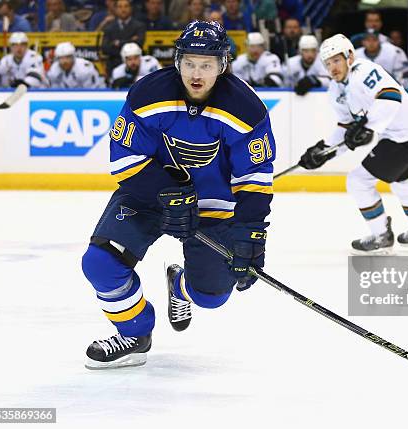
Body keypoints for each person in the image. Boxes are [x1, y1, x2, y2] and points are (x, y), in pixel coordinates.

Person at [81, 20, 276, 369]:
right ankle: (135, 334)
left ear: (223, 65)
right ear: (177, 60)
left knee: (211, 297)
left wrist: (250, 234)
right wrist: (167, 193)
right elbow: (125, 160)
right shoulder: (147, 94)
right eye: (189, 62)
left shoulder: (246, 109)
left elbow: (255, 179)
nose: (196, 73)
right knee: (100, 263)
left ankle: (181, 287)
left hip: (214, 206)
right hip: (150, 195)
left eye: (206, 64)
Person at [297, 34, 408, 252]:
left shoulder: (363, 70)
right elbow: (346, 128)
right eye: (327, 63)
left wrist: (368, 127)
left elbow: (390, 96)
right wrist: (324, 151)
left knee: (358, 181)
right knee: (404, 180)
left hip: (407, 132)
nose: (332, 67)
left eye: (336, 60)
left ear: (349, 56)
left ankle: (381, 235)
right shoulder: (335, 91)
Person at [101, 0, 147, 74]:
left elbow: (139, 44)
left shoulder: (139, 26)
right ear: (115, 9)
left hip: (136, 66)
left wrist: (118, 43)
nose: (123, 9)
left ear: (131, 8)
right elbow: (105, 48)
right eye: (120, 7)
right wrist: (130, 40)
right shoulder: (109, 28)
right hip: (114, 64)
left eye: (126, 6)